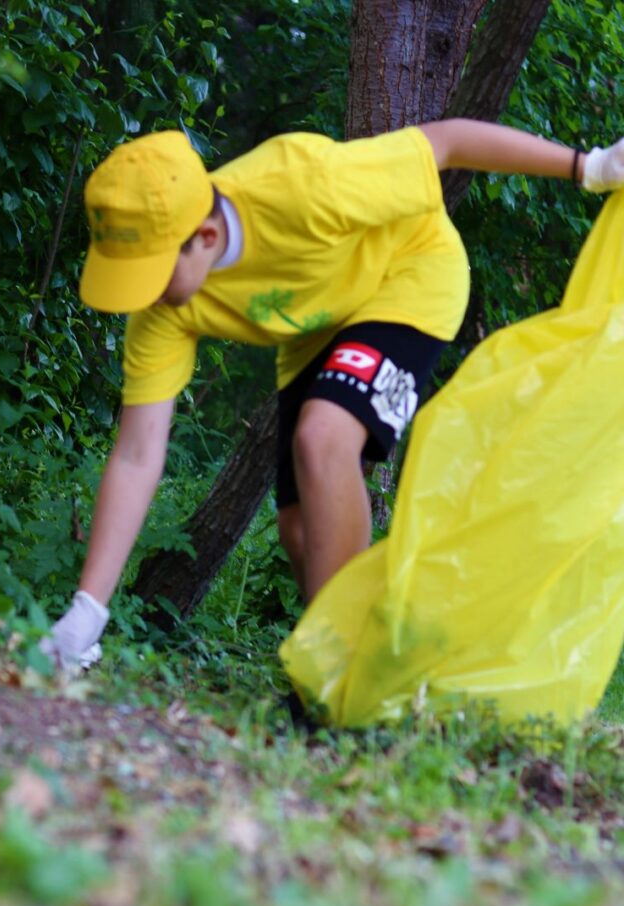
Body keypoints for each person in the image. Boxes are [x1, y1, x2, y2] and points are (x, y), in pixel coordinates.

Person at [42, 118, 624, 670]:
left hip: (409, 278)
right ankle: (377, 660)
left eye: (154, 270)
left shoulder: (303, 184)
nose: (144, 291)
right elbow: (138, 453)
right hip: (316, 328)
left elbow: (447, 142)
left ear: (207, 235)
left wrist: (591, 167)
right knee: (301, 534)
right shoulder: (163, 309)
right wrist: (86, 613)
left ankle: (337, 674)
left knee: (322, 436)